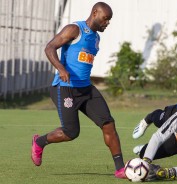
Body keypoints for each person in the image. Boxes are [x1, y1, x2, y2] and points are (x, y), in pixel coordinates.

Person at [31, 2, 126, 179]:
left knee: (108, 124)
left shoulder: (96, 38)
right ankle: (39, 142)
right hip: (65, 88)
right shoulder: (74, 29)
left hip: (86, 89)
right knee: (71, 132)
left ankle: (120, 169)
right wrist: (61, 68)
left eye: (109, 20)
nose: (107, 23)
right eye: (105, 19)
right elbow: (50, 47)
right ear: (95, 13)